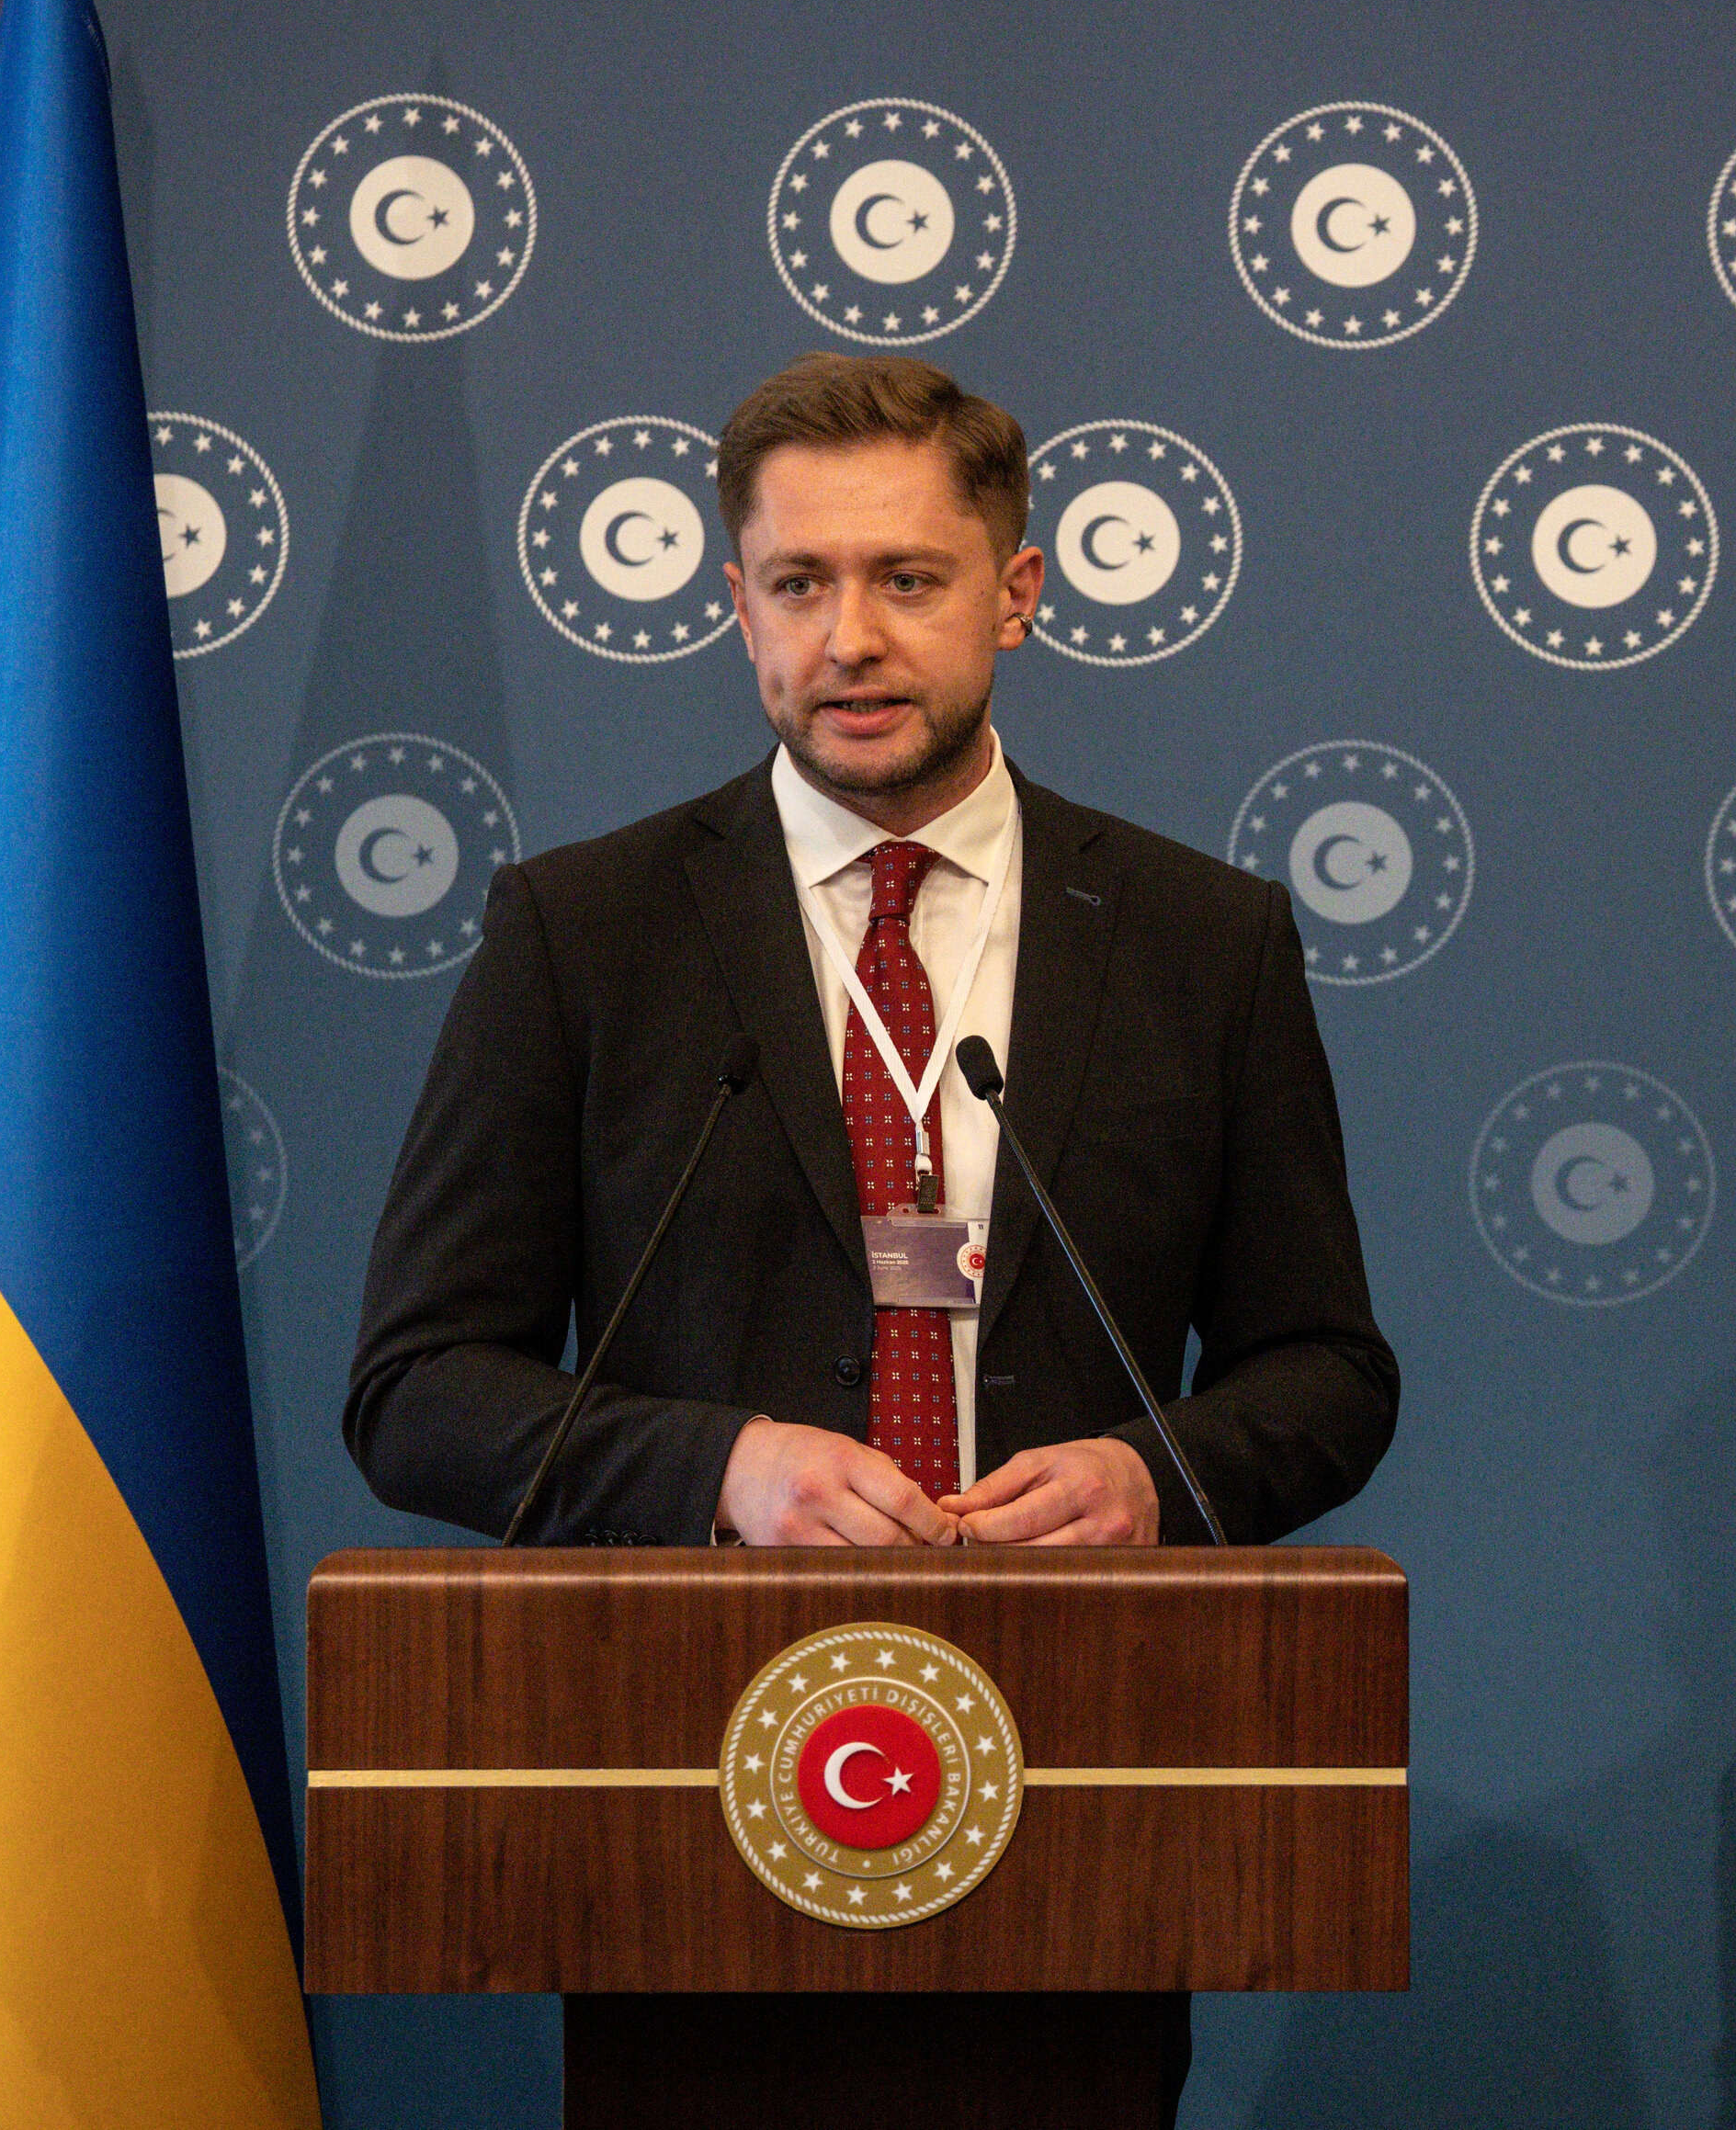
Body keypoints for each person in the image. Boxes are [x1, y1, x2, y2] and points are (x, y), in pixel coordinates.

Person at [347, 348, 1399, 1553]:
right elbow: (417, 1388)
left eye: (906, 580)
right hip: (705, 1695)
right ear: (742, 609)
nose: (849, 638)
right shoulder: (582, 931)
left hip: (1087, 1682)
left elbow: (1328, 1372)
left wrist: (1149, 1476)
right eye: (800, 585)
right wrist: (719, 1470)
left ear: (1014, 593)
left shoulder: (1203, 938)